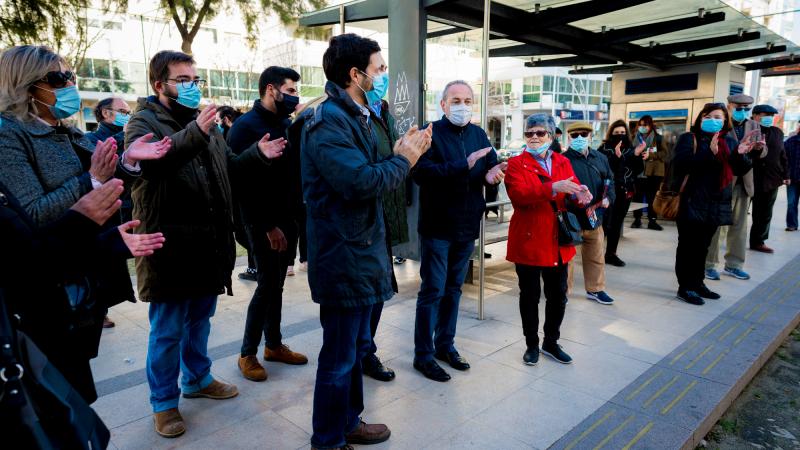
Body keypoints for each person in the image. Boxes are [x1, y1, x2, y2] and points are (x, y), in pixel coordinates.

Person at [124, 50, 287, 438]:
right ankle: (163, 403)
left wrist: (256, 155)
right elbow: (153, 164)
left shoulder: (208, 126)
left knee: (200, 319)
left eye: (194, 79)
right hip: (169, 244)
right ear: (158, 84)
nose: (191, 86)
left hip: (208, 244)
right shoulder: (141, 122)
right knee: (167, 330)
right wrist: (196, 131)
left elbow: (228, 166)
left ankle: (197, 379)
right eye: (182, 80)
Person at [0, 45, 171, 401]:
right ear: (26, 84)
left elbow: (101, 190)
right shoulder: (9, 136)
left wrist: (126, 164)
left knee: (76, 396)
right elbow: (30, 215)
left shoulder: (66, 130)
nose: (69, 85)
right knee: (58, 404)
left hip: (81, 285)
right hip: (46, 292)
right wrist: (91, 180)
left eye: (70, 76)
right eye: (59, 78)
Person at [300, 33, 431, 450]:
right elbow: (359, 181)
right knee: (338, 358)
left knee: (354, 351)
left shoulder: (358, 115)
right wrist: (403, 159)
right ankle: (327, 439)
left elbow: (370, 170)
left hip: (362, 250)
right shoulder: (327, 121)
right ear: (355, 75)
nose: (383, 76)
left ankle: (349, 421)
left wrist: (396, 152)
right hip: (342, 255)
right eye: (378, 68)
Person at [0, 179, 164, 404]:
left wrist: (105, 244)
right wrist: (79, 216)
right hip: (25, 355)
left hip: (48, 335)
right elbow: (24, 266)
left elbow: (32, 255)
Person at [412, 80, 506, 382]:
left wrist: (493, 176)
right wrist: (462, 165)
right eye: (455, 100)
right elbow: (420, 173)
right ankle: (423, 355)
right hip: (438, 227)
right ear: (443, 104)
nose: (462, 106)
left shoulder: (479, 134)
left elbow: (491, 168)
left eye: (467, 100)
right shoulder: (429, 133)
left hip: (467, 227)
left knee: (454, 290)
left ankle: (445, 345)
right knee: (432, 291)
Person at [226, 66, 308, 382]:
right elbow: (241, 185)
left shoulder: (285, 124)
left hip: (287, 219)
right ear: (270, 89)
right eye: (289, 90)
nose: (294, 96)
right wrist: (267, 226)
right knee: (266, 285)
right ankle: (247, 353)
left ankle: (273, 345)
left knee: (276, 284)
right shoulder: (246, 127)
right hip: (261, 223)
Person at [505, 113, 592, 365]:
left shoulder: (562, 162)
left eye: (540, 133)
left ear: (551, 136)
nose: (534, 137)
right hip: (529, 239)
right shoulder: (515, 164)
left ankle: (551, 342)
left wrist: (580, 194)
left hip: (557, 240)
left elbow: (571, 190)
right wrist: (553, 187)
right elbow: (519, 195)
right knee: (529, 295)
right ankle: (531, 344)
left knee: (558, 295)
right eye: (529, 133)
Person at [672, 103, 753, 305]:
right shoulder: (688, 138)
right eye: (708, 116)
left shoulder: (729, 141)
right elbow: (682, 164)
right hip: (692, 200)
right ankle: (685, 287)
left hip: (716, 202)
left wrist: (741, 154)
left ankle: (698, 283)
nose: (713, 120)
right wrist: (709, 152)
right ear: (700, 119)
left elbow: (738, 170)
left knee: (704, 247)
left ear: (725, 121)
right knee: (688, 247)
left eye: (718, 116)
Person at [86, 96, 135, 328]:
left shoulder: (130, 136)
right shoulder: (91, 139)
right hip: (104, 211)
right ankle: (98, 308)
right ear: (106, 113)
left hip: (126, 206)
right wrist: (125, 134)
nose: (128, 114)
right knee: (101, 263)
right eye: (123, 111)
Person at [705, 94, 759, 281]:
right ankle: (709, 264)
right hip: (724, 181)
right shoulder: (720, 124)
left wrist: (760, 148)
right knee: (717, 225)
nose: (742, 111)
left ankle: (734, 265)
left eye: (746, 107)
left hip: (744, 182)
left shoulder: (753, 126)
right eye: (739, 107)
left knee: (739, 227)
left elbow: (762, 152)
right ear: (729, 106)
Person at [563, 122, 616, 305]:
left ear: (591, 136)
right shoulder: (562, 160)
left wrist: (609, 197)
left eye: (583, 134)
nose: (579, 138)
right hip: (571, 218)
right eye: (575, 135)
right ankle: (563, 291)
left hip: (595, 217)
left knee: (596, 255)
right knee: (567, 258)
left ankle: (596, 289)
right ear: (569, 137)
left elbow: (610, 180)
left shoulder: (600, 158)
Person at [598, 120, 646, 267]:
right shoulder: (604, 148)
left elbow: (637, 170)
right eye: (617, 133)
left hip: (625, 191)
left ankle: (611, 254)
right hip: (607, 191)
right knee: (604, 224)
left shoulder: (631, 148)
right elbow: (603, 168)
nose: (620, 135)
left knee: (617, 222)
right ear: (611, 133)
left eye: (623, 133)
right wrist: (616, 157)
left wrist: (638, 156)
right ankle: (597, 254)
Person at [749, 104, 789, 253]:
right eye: (766, 115)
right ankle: (729, 239)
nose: (769, 118)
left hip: (772, 180)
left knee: (765, 213)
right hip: (750, 178)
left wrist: (786, 175)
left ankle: (759, 241)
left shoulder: (777, 132)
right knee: (738, 213)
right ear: (755, 115)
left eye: (771, 116)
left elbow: (782, 155)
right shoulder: (749, 131)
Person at [631, 115, 668, 230]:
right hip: (638, 173)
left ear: (651, 125)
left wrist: (650, 155)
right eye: (641, 125)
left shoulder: (658, 138)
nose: (643, 127)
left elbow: (665, 154)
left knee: (652, 198)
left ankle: (652, 221)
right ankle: (637, 220)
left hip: (653, 173)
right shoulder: (634, 138)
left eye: (645, 125)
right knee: (637, 197)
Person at [785, 123, 800, 231]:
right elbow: (785, 160)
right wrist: (786, 175)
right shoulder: (791, 141)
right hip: (792, 179)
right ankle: (792, 224)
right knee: (791, 203)